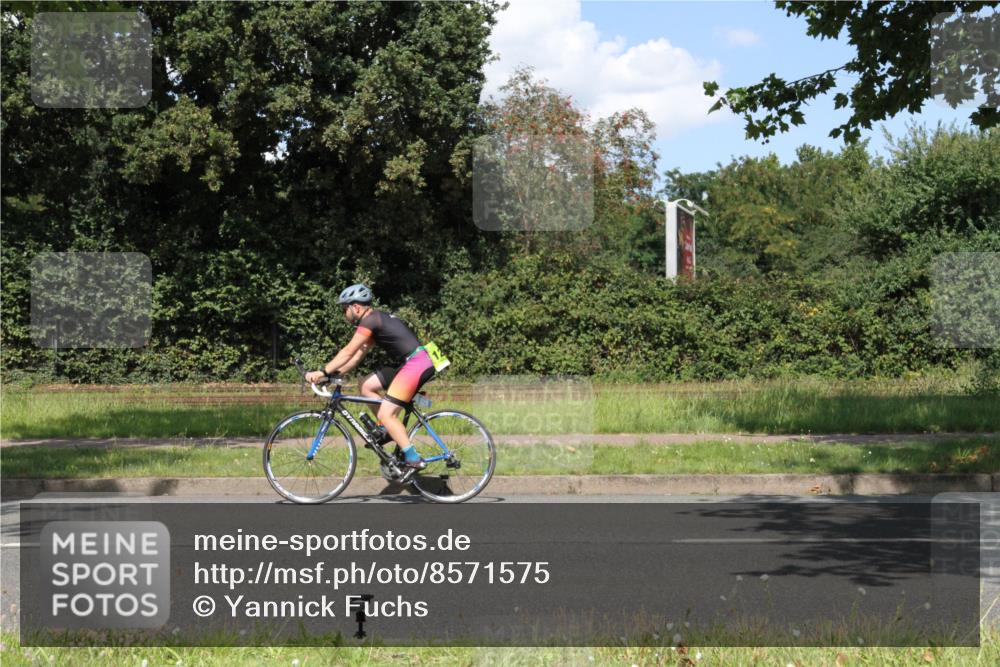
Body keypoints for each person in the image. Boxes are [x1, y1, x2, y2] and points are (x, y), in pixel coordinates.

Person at [305, 283, 435, 470]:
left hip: (416, 363)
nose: (345, 314)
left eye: (345, 309)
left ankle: (413, 457)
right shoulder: (376, 319)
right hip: (411, 362)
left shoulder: (370, 320)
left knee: (386, 414)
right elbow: (356, 356)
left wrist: (322, 372)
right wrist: (333, 375)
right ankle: (386, 429)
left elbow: (348, 351)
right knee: (366, 385)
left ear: (356, 307)